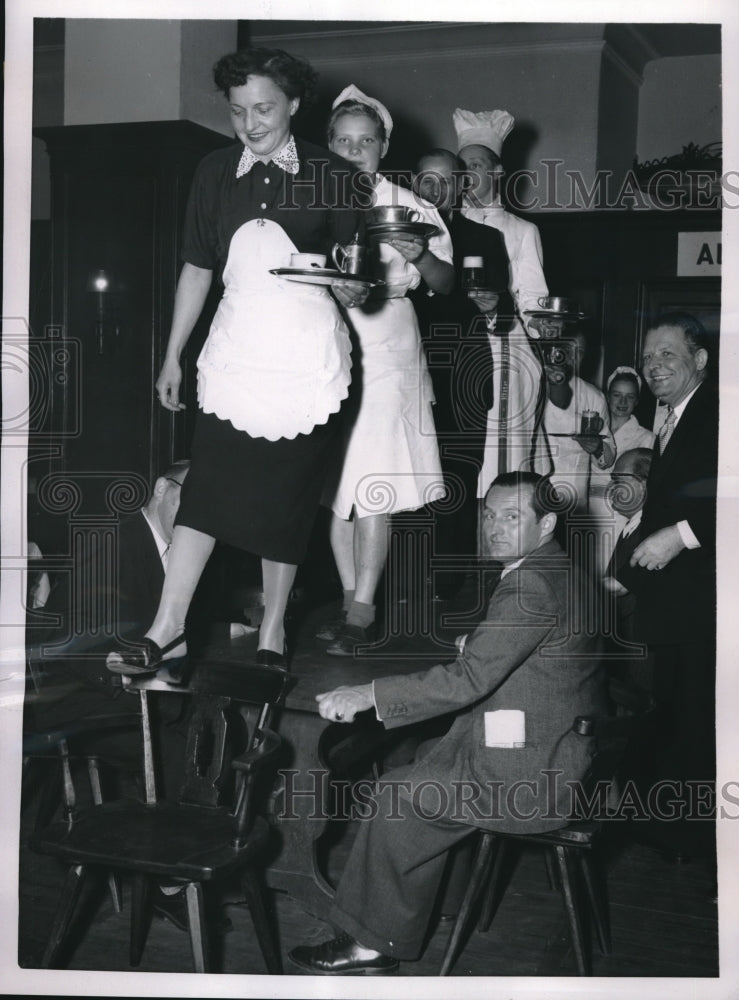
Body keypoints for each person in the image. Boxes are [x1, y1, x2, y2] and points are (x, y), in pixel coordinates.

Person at [106, 49, 367, 676]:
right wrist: (173, 354)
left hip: (307, 361)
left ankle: (274, 630)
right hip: (235, 357)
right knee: (207, 492)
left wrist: (353, 285)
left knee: (286, 500)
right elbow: (198, 267)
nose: (250, 123)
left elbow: (355, 272)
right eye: (238, 110)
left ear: (295, 105)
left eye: (265, 109)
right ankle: (166, 629)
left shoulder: (336, 176)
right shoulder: (215, 171)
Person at [289, 472, 606, 974]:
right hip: (558, 745)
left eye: (511, 516)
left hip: (533, 774)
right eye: (489, 514)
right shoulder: (562, 568)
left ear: (546, 523)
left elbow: (470, 681)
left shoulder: (531, 584)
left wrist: (368, 693)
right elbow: (527, 652)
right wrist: (479, 652)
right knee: (424, 758)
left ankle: (370, 945)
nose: (494, 527)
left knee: (396, 792)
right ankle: (446, 898)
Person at [317, 87, 453, 655]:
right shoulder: (308, 199)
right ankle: (352, 601)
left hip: (388, 345)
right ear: (327, 145)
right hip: (323, 341)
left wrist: (418, 254)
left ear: (384, 145)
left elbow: (449, 283)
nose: (354, 152)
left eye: (365, 142)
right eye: (343, 142)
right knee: (335, 487)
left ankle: (362, 612)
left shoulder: (406, 203)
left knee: (375, 479)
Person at [27, 461, 191, 795]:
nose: (198, 515)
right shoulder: (114, 542)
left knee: (213, 731)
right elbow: (66, 636)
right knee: (183, 751)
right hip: (78, 699)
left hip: (133, 695)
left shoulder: (178, 553)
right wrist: (125, 673)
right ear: (161, 488)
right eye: (192, 499)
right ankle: (170, 841)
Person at [619, 312, 718, 860]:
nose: (654, 366)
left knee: (697, 719)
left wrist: (678, 536)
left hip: (703, 603)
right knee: (676, 711)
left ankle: (701, 846)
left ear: (699, 360)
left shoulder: (719, 410)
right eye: (648, 356)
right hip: (674, 601)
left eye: (667, 355)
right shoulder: (673, 414)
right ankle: (672, 831)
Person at [409, 147, 509, 598]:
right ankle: (400, 579)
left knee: (455, 478)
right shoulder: (389, 234)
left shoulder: (484, 239)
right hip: (404, 368)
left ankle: (445, 584)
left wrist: (494, 308)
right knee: (403, 471)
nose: (433, 189)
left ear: (461, 186)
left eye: (443, 180)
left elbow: (503, 311)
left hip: (463, 375)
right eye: (425, 180)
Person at [453, 108, 549, 493]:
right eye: (462, 166)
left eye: (476, 165)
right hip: (454, 342)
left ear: (497, 173)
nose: (468, 173)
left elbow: (535, 300)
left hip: (504, 349)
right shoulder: (443, 223)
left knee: (500, 455)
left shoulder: (522, 230)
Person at [541, 329, 616, 514]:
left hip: (575, 499)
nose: (573, 357)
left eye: (580, 351)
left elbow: (608, 454)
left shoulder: (594, 397)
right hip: (536, 492)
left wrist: (597, 447)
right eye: (567, 348)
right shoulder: (536, 385)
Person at [590, 366, 655, 556]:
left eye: (630, 396)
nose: (623, 402)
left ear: (637, 401)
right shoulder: (592, 430)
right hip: (586, 509)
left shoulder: (647, 438)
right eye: (617, 395)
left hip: (617, 514)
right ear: (607, 396)